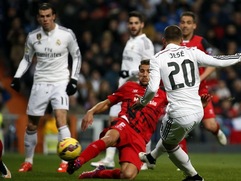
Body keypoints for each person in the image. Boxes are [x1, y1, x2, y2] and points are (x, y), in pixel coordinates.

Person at [132, 25, 241, 181]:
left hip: (179, 113)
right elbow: (218, 61)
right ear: (181, 40)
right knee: (170, 138)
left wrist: (142, 102)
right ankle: (151, 157)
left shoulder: (158, 58)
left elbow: (152, 88)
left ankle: (194, 176)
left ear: (164, 40)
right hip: (199, 111)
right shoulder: (192, 51)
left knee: (169, 144)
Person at [10, 3, 81, 173]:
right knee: (32, 125)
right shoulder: (33, 36)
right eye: (42, 16)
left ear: (54, 16)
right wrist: (17, 76)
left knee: (60, 119)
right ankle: (28, 161)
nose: (45, 19)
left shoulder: (66, 34)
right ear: (37, 18)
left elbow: (76, 56)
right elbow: (27, 59)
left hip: (60, 81)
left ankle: (65, 162)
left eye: (48, 15)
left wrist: (73, 80)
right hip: (40, 82)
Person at [66, 60, 167, 179]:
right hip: (124, 124)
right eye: (142, 71)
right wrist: (91, 111)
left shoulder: (162, 95)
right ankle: (79, 161)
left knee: (128, 175)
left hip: (140, 138)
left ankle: (98, 173)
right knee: (110, 138)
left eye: (149, 71)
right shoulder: (129, 86)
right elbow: (107, 103)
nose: (144, 74)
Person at [90, 11, 154, 170]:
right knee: (113, 121)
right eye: (130, 23)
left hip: (136, 89)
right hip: (123, 88)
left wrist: (130, 73)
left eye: (136, 23)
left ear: (142, 24)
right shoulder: (130, 41)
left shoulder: (145, 43)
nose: (133, 26)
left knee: (141, 124)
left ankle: (145, 158)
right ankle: (109, 159)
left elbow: (150, 66)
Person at [179, 11, 227, 146]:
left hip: (200, 90)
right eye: (183, 22)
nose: (185, 25)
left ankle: (217, 131)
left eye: (189, 23)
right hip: (180, 92)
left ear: (194, 25)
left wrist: (199, 79)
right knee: (179, 126)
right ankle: (182, 163)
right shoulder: (173, 42)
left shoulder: (201, 42)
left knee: (209, 125)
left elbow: (213, 63)